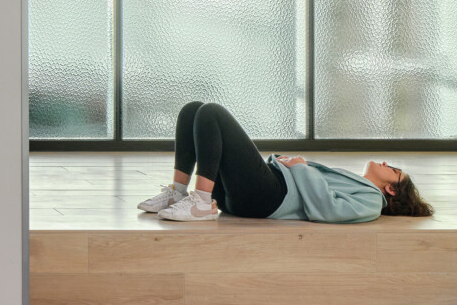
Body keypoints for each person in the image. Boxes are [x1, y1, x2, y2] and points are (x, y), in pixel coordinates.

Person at [138, 102, 434, 223]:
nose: (385, 163)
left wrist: (301, 167)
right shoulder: (362, 187)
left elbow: (328, 209)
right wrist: (286, 164)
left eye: (392, 169)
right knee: (193, 110)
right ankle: (178, 192)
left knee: (212, 112)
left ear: (392, 190)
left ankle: (201, 202)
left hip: (269, 198)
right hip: (256, 191)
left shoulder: (371, 202)